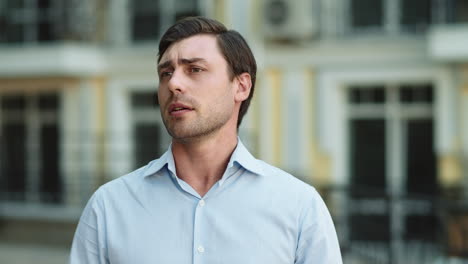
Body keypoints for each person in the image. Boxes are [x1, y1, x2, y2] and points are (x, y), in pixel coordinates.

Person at [69, 16, 342, 264]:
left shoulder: (298, 206)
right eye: (166, 73)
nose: (174, 83)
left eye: (194, 69)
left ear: (241, 86)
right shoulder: (109, 206)